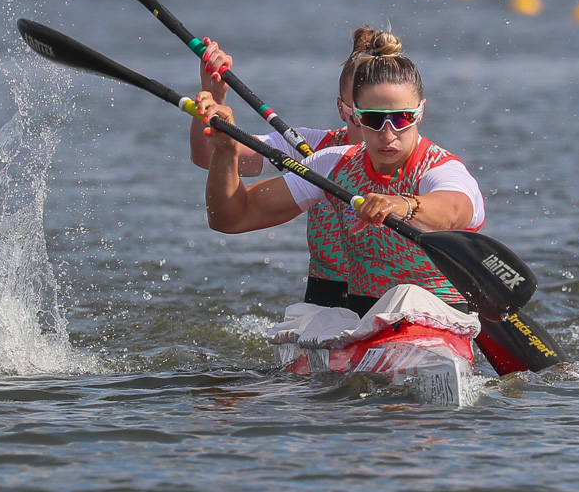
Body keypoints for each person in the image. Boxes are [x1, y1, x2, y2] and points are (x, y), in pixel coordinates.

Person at [194, 33, 485, 314]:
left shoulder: (441, 168)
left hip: (436, 314)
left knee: (406, 296)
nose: (387, 133)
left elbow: (454, 208)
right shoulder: (331, 163)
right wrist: (225, 152)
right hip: (351, 311)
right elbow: (230, 217)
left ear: (420, 112)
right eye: (372, 119)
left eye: (401, 118)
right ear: (352, 113)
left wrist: (401, 204)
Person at [187, 29, 383, 310]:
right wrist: (214, 95)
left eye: (389, 117)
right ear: (342, 110)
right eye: (362, 116)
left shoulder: (425, 163)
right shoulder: (317, 149)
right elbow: (207, 156)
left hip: (393, 297)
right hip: (327, 297)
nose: (379, 132)